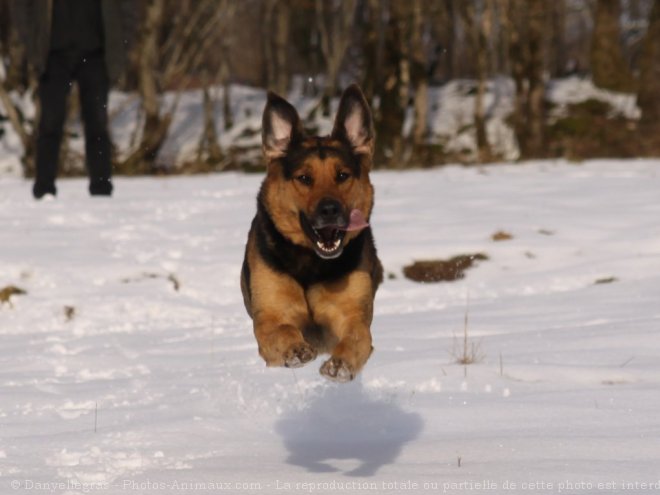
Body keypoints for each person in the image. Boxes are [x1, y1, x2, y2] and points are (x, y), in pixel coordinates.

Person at [12, 0, 134, 198]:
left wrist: (121, 48)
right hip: (53, 55)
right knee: (49, 124)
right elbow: (22, 8)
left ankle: (101, 189)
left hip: (96, 54)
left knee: (97, 124)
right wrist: (33, 46)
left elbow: (128, 9)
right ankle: (44, 189)